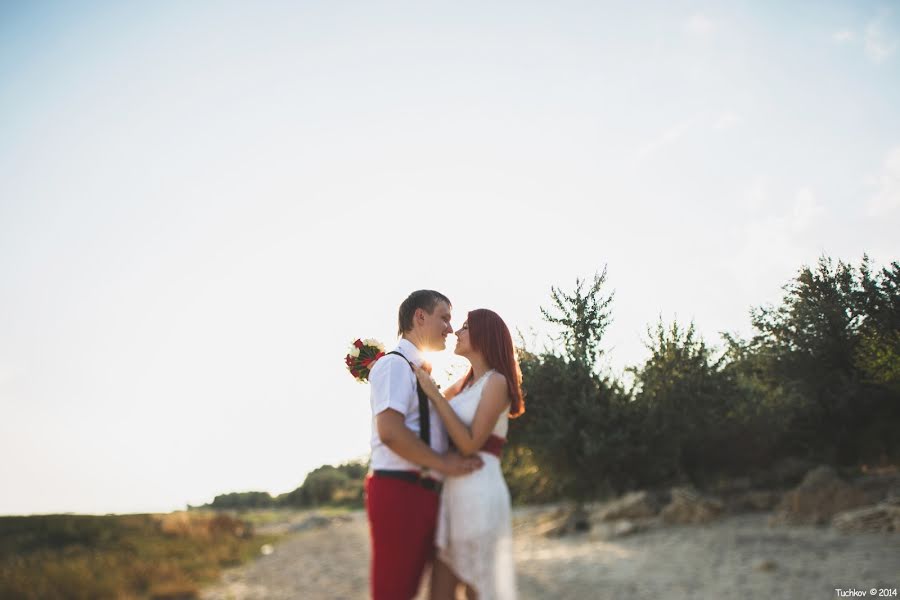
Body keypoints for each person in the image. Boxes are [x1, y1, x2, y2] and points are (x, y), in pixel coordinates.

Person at [366, 290, 484, 600]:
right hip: (401, 490)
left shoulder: (422, 373)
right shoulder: (394, 365)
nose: (449, 327)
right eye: (444, 318)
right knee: (395, 592)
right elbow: (390, 431)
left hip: (428, 493)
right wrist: (445, 464)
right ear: (420, 317)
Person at [413, 308, 526, 600]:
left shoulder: (497, 382)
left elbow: (470, 444)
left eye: (465, 327)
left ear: (484, 335)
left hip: (480, 489)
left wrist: (434, 393)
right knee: (440, 592)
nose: (456, 332)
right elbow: (425, 403)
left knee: (480, 588)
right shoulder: (463, 385)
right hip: (452, 492)